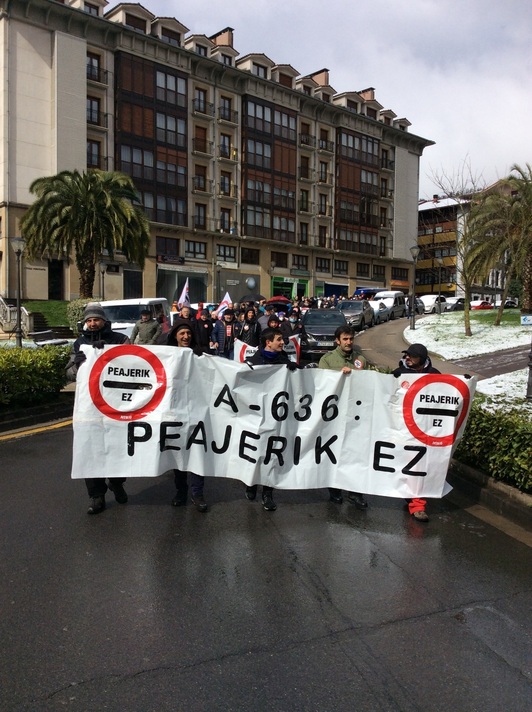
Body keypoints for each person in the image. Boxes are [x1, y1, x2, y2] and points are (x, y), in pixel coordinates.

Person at [66, 302, 130, 515]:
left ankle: (117, 482)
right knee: (90, 451)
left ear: (104, 320)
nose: (93, 323)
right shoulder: (79, 343)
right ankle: (97, 495)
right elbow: (69, 374)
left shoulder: (120, 340)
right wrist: (78, 364)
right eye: (89, 320)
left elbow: (133, 366)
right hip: (89, 408)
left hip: (117, 405)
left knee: (119, 448)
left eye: (96, 319)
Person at [245, 327, 299, 511]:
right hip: (257, 417)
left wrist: (296, 370)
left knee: (272, 454)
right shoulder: (253, 362)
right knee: (256, 452)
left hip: (277, 418)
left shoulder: (284, 360)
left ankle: (267, 493)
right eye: (278, 339)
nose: (282, 342)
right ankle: (251, 483)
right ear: (268, 342)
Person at [319, 325, 369, 510]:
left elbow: (370, 381)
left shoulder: (360, 359)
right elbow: (321, 385)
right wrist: (338, 375)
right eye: (345, 339)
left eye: (351, 339)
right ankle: (335, 489)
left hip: (356, 415)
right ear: (337, 341)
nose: (349, 342)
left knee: (356, 454)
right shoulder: (327, 360)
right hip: (335, 416)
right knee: (335, 453)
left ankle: (355, 492)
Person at [392, 342, 440, 522]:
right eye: (406, 355)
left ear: (422, 358)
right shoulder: (398, 374)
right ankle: (410, 494)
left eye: (412, 356)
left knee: (418, 466)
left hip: (423, 430)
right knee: (404, 465)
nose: (407, 358)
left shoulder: (435, 376)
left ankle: (417, 505)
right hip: (402, 428)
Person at [166, 319, 209, 512]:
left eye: (189, 333)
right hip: (175, 412)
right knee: (178, 455)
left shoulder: (202, 355)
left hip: (197, 412)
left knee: (198, 453)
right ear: (175, 335)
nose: (186, 336)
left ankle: (197, 493)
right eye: (182, 333)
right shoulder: (166, 356)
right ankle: (180, 491)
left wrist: (204, 359)